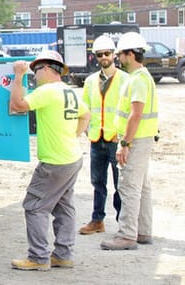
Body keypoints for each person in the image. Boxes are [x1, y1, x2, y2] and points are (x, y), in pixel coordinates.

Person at [8, 50, 90, 271]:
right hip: (72, 157)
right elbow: (86, 115)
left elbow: (17, 105)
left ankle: (38, 257)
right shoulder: (69, 91)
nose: (34, 75)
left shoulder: (48, 92)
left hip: (54, 162)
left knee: (35, 207)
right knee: (64, 207)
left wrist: (18, 76)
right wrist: (72, 135)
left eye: (35, 71)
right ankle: (63, 255)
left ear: (46, 68)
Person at [101, 32, 158, 250]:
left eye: (121, 54)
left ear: (131, 54)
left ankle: (127, 235)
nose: (118, 58)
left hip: (135, 140)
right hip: (142, 139)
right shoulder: (141, 78)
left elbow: (136, 114)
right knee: (142, 187)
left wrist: (125, 143)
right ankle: (142, 231)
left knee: (129, 186)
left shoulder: (138, 80)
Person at [79, 35, 128, 235]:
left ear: (114, 55)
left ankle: (122, 223)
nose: (104, 57)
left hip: (114, 140)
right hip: (96, 139)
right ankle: (97, 219)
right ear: (96, 57)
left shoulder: (125, 80)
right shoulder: (90, 81)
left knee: (120, 184)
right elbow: (84, 108)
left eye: (107, 53)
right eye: (100, 54)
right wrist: (86, 130)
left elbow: (128, 110)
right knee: (97, 182)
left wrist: (123, 137)